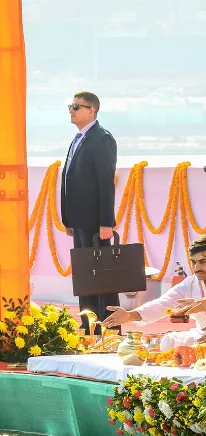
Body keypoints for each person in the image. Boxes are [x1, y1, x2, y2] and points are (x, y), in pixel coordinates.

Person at [101, 236, 206, 350]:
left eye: (203, 261)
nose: (197, 268)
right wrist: (129, 315)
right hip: (204, 337)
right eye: (193, 262)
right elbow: (162, 303)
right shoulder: (189, 284)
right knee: (168, 341)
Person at [61, 91, 119, 331]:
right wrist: (69, 219)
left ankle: (111, 329)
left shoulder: (101, 138)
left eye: (77, 107)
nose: (72, 111)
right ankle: (89, 327)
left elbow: (106, 181)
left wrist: (107, 222)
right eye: (70, 106)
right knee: (85, 276)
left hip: (97, 223)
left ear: (91, 110)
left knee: (103, 278)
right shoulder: (79, 138)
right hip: (81, 222)